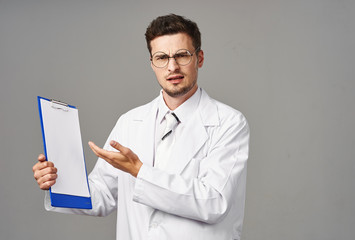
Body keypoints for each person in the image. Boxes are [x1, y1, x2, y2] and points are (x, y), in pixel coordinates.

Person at [33, 14, 250, 240]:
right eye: (162, 57)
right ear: (152, 63)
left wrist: (139, 171)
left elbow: (214, 202)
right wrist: (58, 182)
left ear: (200, 58)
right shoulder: (130, 122)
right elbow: (102, 195)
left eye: (182, 55)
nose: (172, 66)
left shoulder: (229, 123)